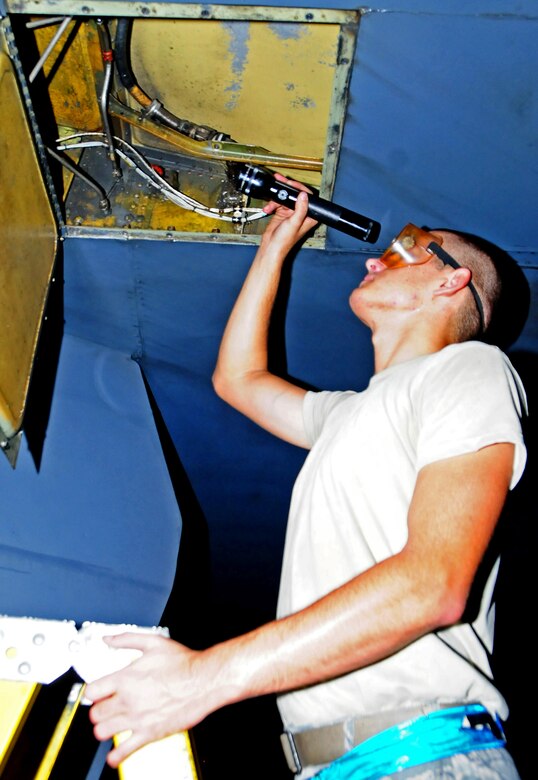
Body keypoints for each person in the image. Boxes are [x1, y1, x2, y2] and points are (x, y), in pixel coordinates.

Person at [86, 177, 528, 779]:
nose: (377, 256)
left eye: (408, 246)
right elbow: (238, 380)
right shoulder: (349, 414)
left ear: (452, 281)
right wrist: (276, 245)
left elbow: (434, 583)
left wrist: (203, 678)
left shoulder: (472, 369)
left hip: (424, 757)